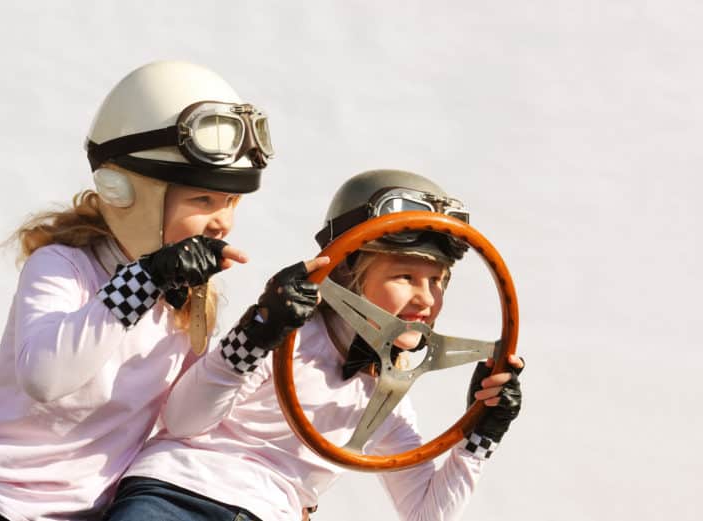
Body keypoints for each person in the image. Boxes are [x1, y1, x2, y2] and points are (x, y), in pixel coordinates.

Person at [0, 60, 274, 521]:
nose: (223, 221)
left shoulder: (191, 299)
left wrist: (252, 338)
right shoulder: (62, 265)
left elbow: (184, 421)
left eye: (231, 202)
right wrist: (146, 279)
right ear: (127, 191)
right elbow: (45, 376)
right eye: (203, 200)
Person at [103, 169, 524, 521]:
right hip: (176, 495)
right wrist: (256, 334)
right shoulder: (287, 339)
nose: (427, 300)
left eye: (437, 281)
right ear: (345, 276)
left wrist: (480, 435)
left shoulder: (385, 394)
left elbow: (427, 512)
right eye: (405, 278)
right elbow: (182, 421)